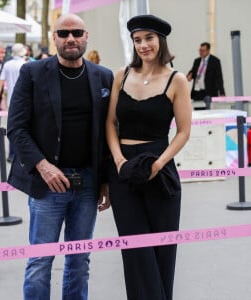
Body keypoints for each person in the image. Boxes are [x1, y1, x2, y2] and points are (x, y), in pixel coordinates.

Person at [7, 13, 114, 300]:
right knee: (40, 261)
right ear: (53, 37)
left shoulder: (103, 76)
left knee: (79, 261)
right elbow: (16, 128)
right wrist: (43, 167)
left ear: (86, 36)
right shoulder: (32, 73)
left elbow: (107, 134)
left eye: (77, 33)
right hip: (48, 184)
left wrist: (105, 181)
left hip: (88, 183)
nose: (71, 39)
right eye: (64, 33)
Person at [106, 14, 191, 300]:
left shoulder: (177, 80)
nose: (143, 45)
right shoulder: (122, 75)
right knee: (135, 251)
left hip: (160, 167)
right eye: (137, 40)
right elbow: (110, 124)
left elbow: (183, 131)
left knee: (162, 251)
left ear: (161, 41)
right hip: (124, 169)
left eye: (149, 38)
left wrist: (158, 162)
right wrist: (119, 161)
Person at [0, 43, 27, 163]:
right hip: (24, 100)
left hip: (11, 101)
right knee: (23, 127)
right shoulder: (24, 64)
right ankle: (20, 155)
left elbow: (0, 83)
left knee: (12, 126)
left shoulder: (7, 64)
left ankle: (12, 154)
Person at [187, 42, 225, 109]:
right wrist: (189, 75)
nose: (201, 52)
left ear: (208, 50)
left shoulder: (215, 61)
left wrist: (222, 92)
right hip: (197, 91)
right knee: (198, 110)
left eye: (203, 50)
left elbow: (219, 77)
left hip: (209, 91)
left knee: (208, 111)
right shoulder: (197, 61)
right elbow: (193, 71)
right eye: (200, 50)